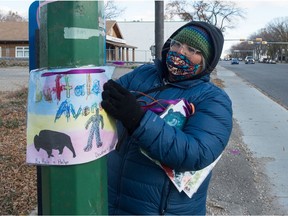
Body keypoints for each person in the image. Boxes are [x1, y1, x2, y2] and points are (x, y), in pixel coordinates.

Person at [101, 21, 233, 215]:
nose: (181, 52)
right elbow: (110, 98)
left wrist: (138, 120)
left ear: (207, 60)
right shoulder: (145, 73)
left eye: (192, 50)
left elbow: (196, 153)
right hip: (113, 198)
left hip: (160, 209)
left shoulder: (213, 99)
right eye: (177, 44)